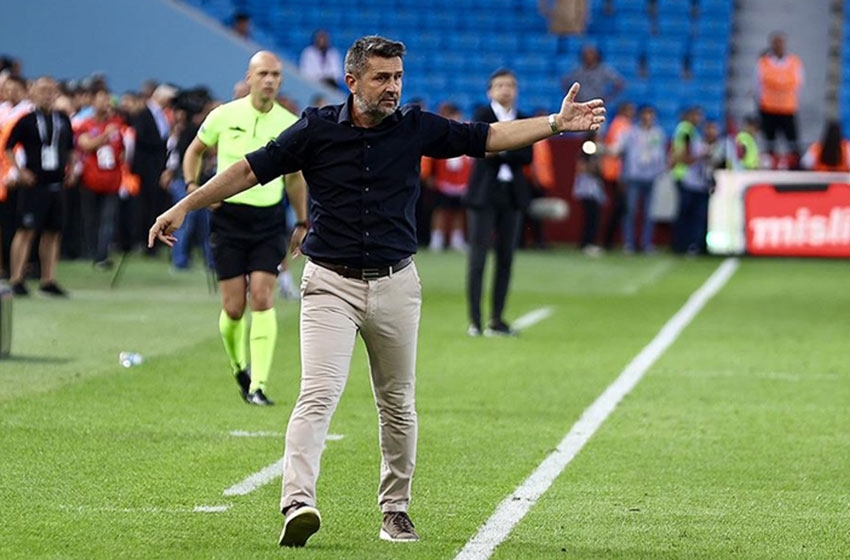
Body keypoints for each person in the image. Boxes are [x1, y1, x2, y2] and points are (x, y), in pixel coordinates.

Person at [148, 35, 605, 548]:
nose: (393, 87)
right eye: (381, 78)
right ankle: (297, 503)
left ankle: (395, 511)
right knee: (317, 395)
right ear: (352, 81)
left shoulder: (415, 126)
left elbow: (489, 136)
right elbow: (247, 170)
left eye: (398, 78)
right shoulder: (315, 128)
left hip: (395, 284)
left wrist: (555, 123)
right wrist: (185, 205)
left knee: (398, 404)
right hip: (330, 284)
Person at [181, 51, 307, 406]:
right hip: (228, 220)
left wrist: (301, 221)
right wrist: (193, 188)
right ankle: (240, 368)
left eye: (276, 75)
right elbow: (194, 151)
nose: (269, 80)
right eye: (263, 73)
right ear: (249, 78)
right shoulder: (224, 115)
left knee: (263, 298)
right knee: (234, 307)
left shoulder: (289, 123)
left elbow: (295, 178)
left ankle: (259, 385)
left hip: (269, 221)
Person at [466, 69, 533, 337]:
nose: (506, 89)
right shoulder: (482, 115)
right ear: (490, 90)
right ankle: (475, 320)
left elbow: (526, 155)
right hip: (484, 193)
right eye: (500, 85)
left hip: (512, 194)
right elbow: (480, 149)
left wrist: (499, 147)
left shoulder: (523, 118)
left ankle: (497, 319)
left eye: (511, 85)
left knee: (506, 258)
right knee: (478, 258)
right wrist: (510, 146)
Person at [5, 76, 75, 296]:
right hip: (34, 184)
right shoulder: (26, 120)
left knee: (53, 232)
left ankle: (48, 279)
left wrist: (72, 169)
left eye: (51, 91)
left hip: (56, 182)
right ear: (33, 93)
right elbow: (8, 147)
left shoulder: (62, 119)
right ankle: (16, 278)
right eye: (43, 90)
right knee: (26, 230)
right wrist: (20, 171)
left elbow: (70, 148)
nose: (47, 95)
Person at [75, 85, 128, 268]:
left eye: (107, 99)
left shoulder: (117, 124)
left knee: (108, 219)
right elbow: (86, 145)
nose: (105, 103)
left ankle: (101, 255)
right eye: (101, 98)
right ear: (93, 101)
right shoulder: (86, 124)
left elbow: (123, 151)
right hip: (90, 180)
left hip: (112, 181)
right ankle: (90, 251)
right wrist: (105, 135)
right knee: (90, 219)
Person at [616, 105, 666, 254]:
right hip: (634, 176)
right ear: (640, 116)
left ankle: (646, 244)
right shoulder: (630, 132)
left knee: (649, 213)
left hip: (651, 176)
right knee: (630, 211)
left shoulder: (658, 133)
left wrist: (660, 171)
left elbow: (661, 154)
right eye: (646, 114)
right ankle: (629, 243)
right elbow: (620, 151)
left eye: (651, 114)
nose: (648, 117)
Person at [422, 102, 471, 253]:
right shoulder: (437, 134)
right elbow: (429, 159)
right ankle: (437, 239)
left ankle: (457, 239)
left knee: (459, 212)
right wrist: (428, 176)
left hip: (461, 182)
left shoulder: (465, 134)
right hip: (442, 181)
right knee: (440, 211)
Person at [755, 32, 804, 165]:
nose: (778, 45)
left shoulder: (794, 62)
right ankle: (770, 165)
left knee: (793, 143)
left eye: (780, 42)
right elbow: (757, 84)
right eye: (776, 42)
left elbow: (799, 83)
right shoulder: (763, 62)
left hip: (788, 109)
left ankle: (796, 165)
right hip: (768, 108)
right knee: (769, 143)